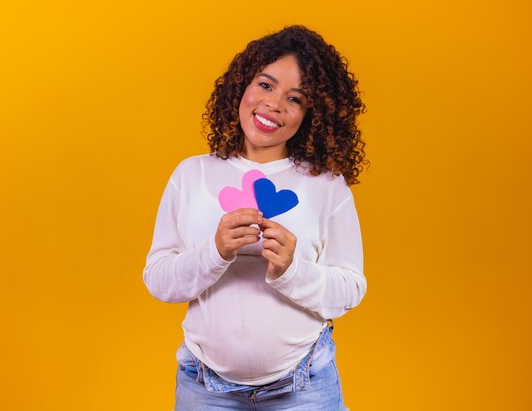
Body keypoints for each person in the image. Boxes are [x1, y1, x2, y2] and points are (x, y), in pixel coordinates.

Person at [143, 25, 368, 411]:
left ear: (311, 116)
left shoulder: (327, 185)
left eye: (295, 98)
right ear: (241, 86)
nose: (275, 104)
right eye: (266, 85)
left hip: (305, 387)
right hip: (203, 388)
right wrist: (214, 252)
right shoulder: (191, 175)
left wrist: (291, 270)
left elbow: (350, 290)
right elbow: (159, 281)